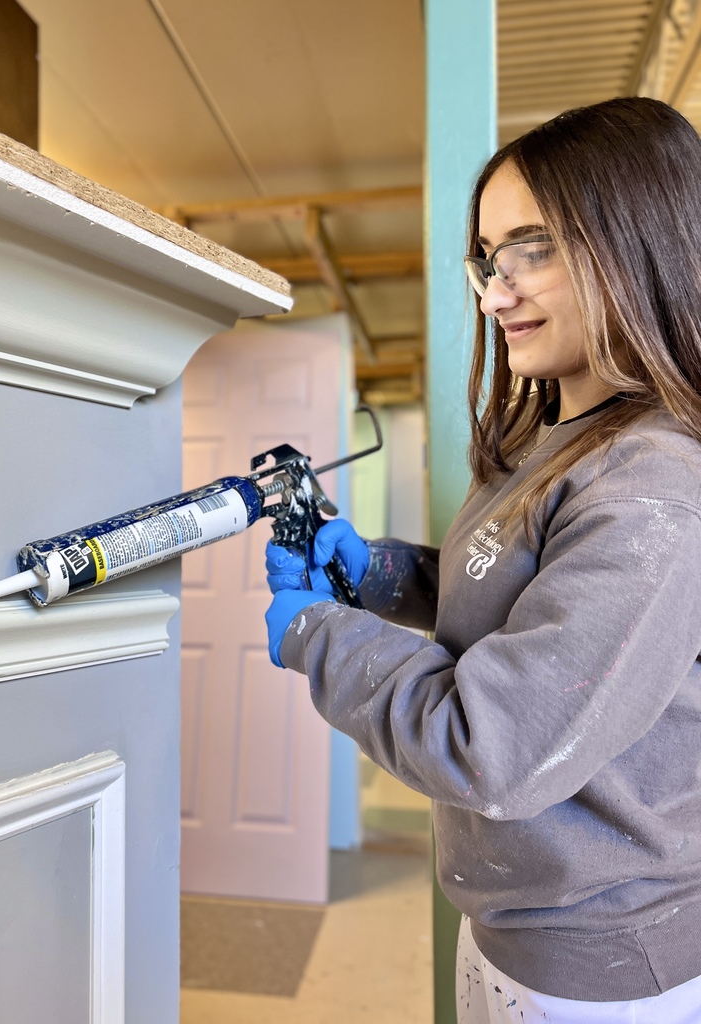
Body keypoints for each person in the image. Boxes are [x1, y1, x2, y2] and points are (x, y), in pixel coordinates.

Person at [264, 96, 701, 1023]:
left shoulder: (655, 487)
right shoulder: (567, 437)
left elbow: (487, 743)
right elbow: (518, 597)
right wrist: (378, 576)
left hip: (604, 966)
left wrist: (321, 636)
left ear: (641, 241)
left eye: (532, 251)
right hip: (523, 926)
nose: (494, 292)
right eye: (490, 259)